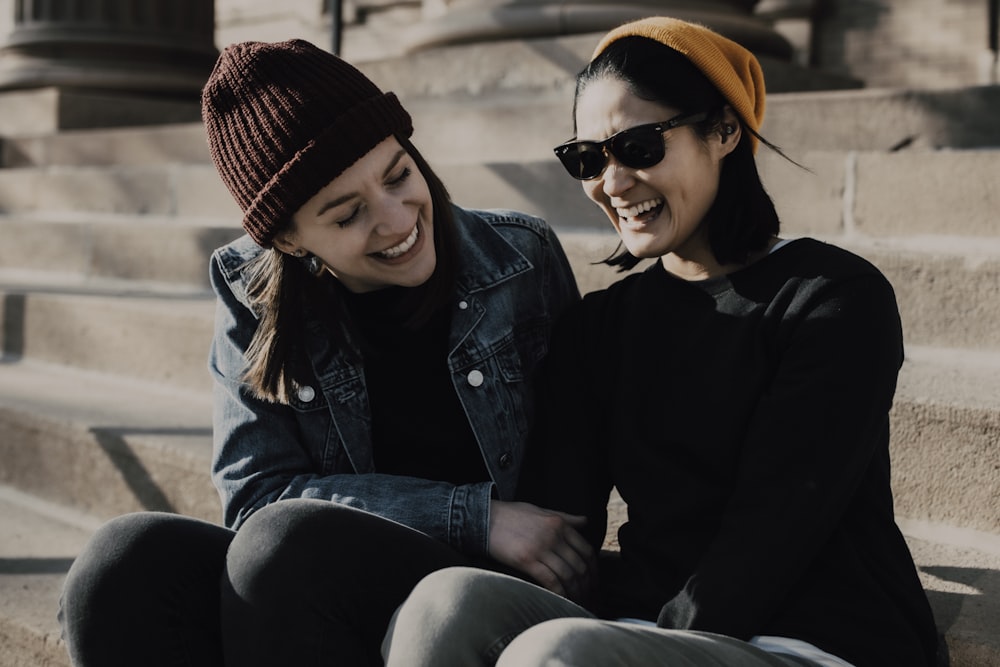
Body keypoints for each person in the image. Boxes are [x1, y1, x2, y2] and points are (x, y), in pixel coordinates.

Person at [382, 16, 940, 667]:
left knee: (558, 652)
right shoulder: (597, 328)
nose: (611, 182)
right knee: (446, 603)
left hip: (817, 641)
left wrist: (625, 638)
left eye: (640, 146)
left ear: (725, 130)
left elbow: (772, 534)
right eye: (587, 158)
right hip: (641, 636)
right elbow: (561, 536)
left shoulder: (833, 296)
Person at [58, 39, 592, 666]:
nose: (395, 221)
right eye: (347, 216)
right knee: (122, 563)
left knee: (283, 547)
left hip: (484, 591)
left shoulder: (519, 259)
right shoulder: (255, 294)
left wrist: (486, 536)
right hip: (314, 588)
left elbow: (571, 492)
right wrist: (471, 516)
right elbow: (258, 494)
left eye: (399, 175)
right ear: (287, 237)